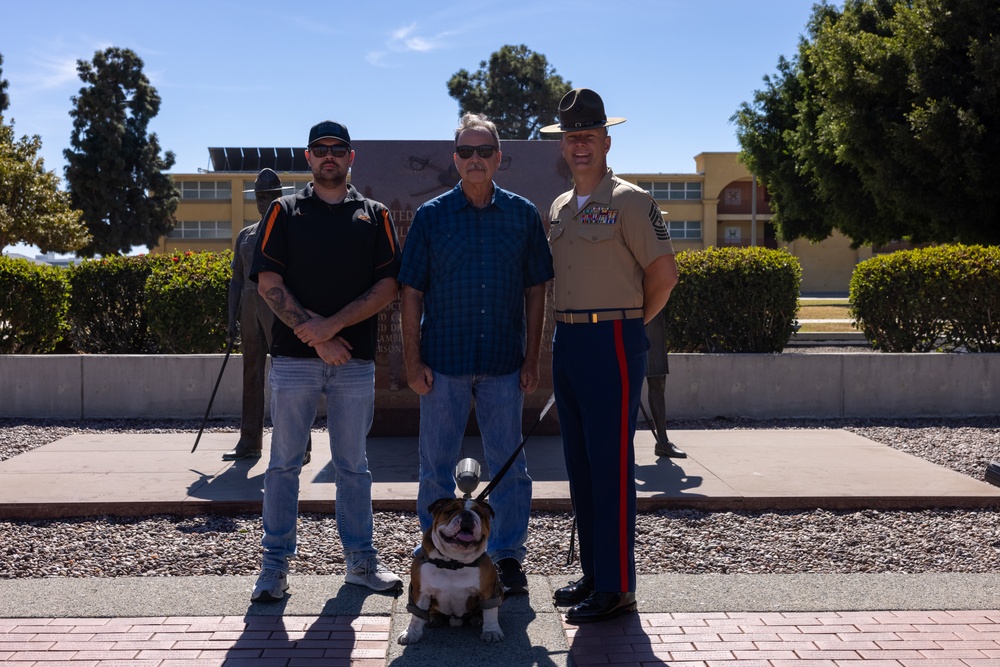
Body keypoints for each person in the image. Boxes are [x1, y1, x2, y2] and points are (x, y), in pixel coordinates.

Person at [248, 120, 403, 601]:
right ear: (309, 157)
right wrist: (316, 338)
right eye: (321, 149)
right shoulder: (283, 212)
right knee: (283, 465)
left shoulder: (375, 215)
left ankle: (360, 562)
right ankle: (273, 568)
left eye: (338, 149)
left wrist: (330, 328)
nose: (329, 156)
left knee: (353, 466)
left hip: (354, 364)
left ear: (351, 157)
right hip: (294, 361)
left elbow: (388, 287)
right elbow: (269, 284)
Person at [398, 113, 553, 595]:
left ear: (499, 158)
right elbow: (410, 294)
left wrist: (533, 358)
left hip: (505, 364)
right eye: (466, 152)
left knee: (510, 466)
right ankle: (434, 555)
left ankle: (507, 555)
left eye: (484, 151)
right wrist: (411, 360)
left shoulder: (523, 214)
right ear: (455, 159)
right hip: (443, 363)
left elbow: (535, 290)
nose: (475, 159)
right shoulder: (431, 216)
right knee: (435, 468)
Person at [541, 89, 679, 623]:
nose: (579, 145)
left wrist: (625, 327)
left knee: (612, 464)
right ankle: (597, 573)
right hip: (569, 340)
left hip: (613, 339)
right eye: (570, 136)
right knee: (580, 463)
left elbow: (664, 277)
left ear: (606, 140)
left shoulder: (632, 201)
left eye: (588, 136)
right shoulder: (557, 206)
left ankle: (619, 586)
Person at [224, 169, 312, 465]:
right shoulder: (245, 235)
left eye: (271, 196)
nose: (265, 201)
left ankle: (302, 444)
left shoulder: (290, 231)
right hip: (250, 307)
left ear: (280, 197)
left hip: (278, 308)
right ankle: (249, 441)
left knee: (290, 376)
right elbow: (236, 280)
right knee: (251, 374)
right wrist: (229, 320)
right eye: (261, 197)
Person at [644, 313, 686, 458]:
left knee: (658, 377)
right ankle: (621, 444)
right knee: (625, 382)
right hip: (626, 310)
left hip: (653, 311)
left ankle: (663, 442)